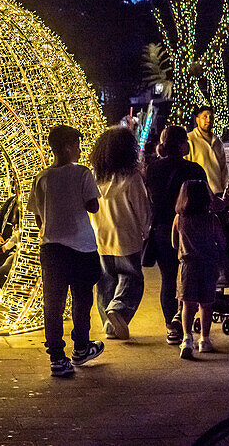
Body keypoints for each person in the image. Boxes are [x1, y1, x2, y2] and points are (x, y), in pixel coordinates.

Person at [26, 124, 104, 378]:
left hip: (51, 248)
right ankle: (81, 347)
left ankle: (57, 358)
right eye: (78, 146)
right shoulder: (82, 173)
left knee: (54, 303)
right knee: (82, 300)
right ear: (69, 147)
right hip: (82, 246)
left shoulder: (42, 177)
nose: (80, 151)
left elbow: (38, 215)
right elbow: (93, 206)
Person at [145, 127, 208, 344]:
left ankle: (172, 327)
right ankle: (188, 328)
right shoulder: (194, 170)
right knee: (191, 277)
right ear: (183, 144)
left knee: (169, 278)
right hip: (191, 229)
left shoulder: (152, 169)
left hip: (163, 228)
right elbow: (205, 200)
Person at [88, 126, 151, 340]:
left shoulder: (95, 178)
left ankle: (109, 326)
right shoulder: (132, 178)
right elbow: (143, 211)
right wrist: (146, 230)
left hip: (100, 239)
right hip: (127, 239)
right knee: (132, 279)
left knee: (106, 283)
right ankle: (119, 310)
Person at [172, 180, 226, 360]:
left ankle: (187, 338)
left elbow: (174, 243)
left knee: (188, 303)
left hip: (188, 265)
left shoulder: (179, 218)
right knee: (206, 304)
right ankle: (205, 339)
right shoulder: (212, 219)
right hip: (208, 265)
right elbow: (222, 242)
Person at [185, 106, 229, 197]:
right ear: (197, 120)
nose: (208, 120)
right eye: (205, 117)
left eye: (211, 117)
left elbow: (223, 169)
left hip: (218, 193)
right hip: (199, 194)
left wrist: (225, 191)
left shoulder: (218, 142)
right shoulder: (190, 140)